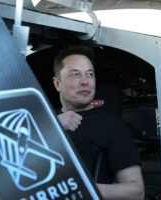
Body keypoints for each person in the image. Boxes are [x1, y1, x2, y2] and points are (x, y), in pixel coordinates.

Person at [52, 45, 145, 200]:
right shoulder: (43, 118)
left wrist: (77, 189)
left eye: (90, 74)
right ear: (57, 84)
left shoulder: (111, 123)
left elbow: (136, 192)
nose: (85, 81)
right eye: (75, 75)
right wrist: (53, 126)